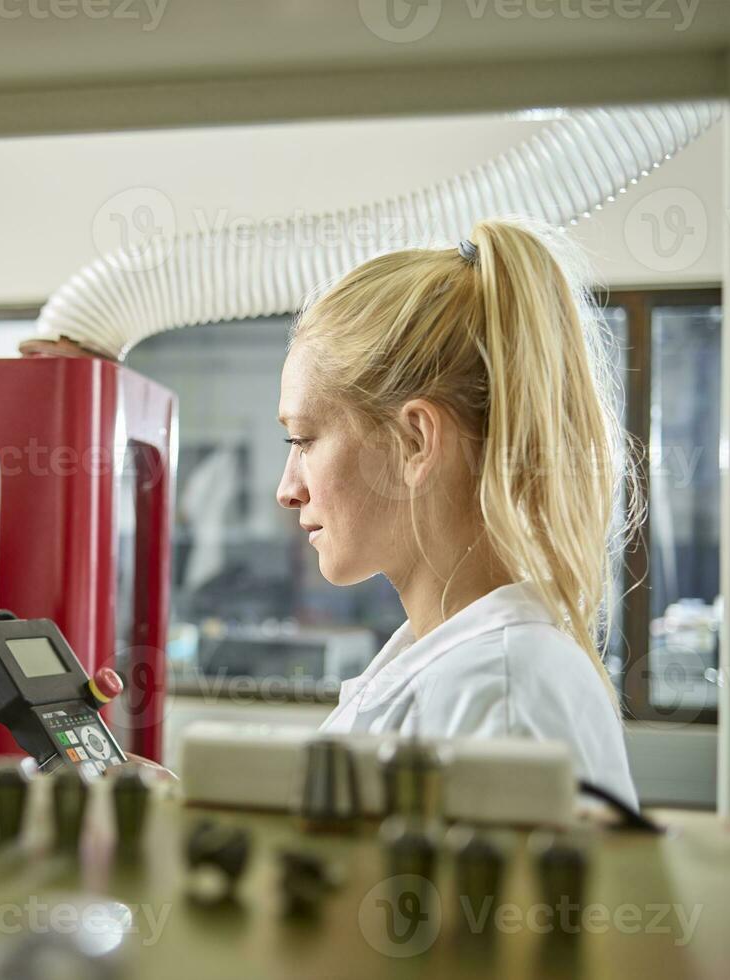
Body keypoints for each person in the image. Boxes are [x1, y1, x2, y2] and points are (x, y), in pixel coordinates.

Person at [276, 218, 639, 807]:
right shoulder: (455, 661)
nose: (287, 490)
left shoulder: (502, 696)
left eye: (304, 440)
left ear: (416, 441)